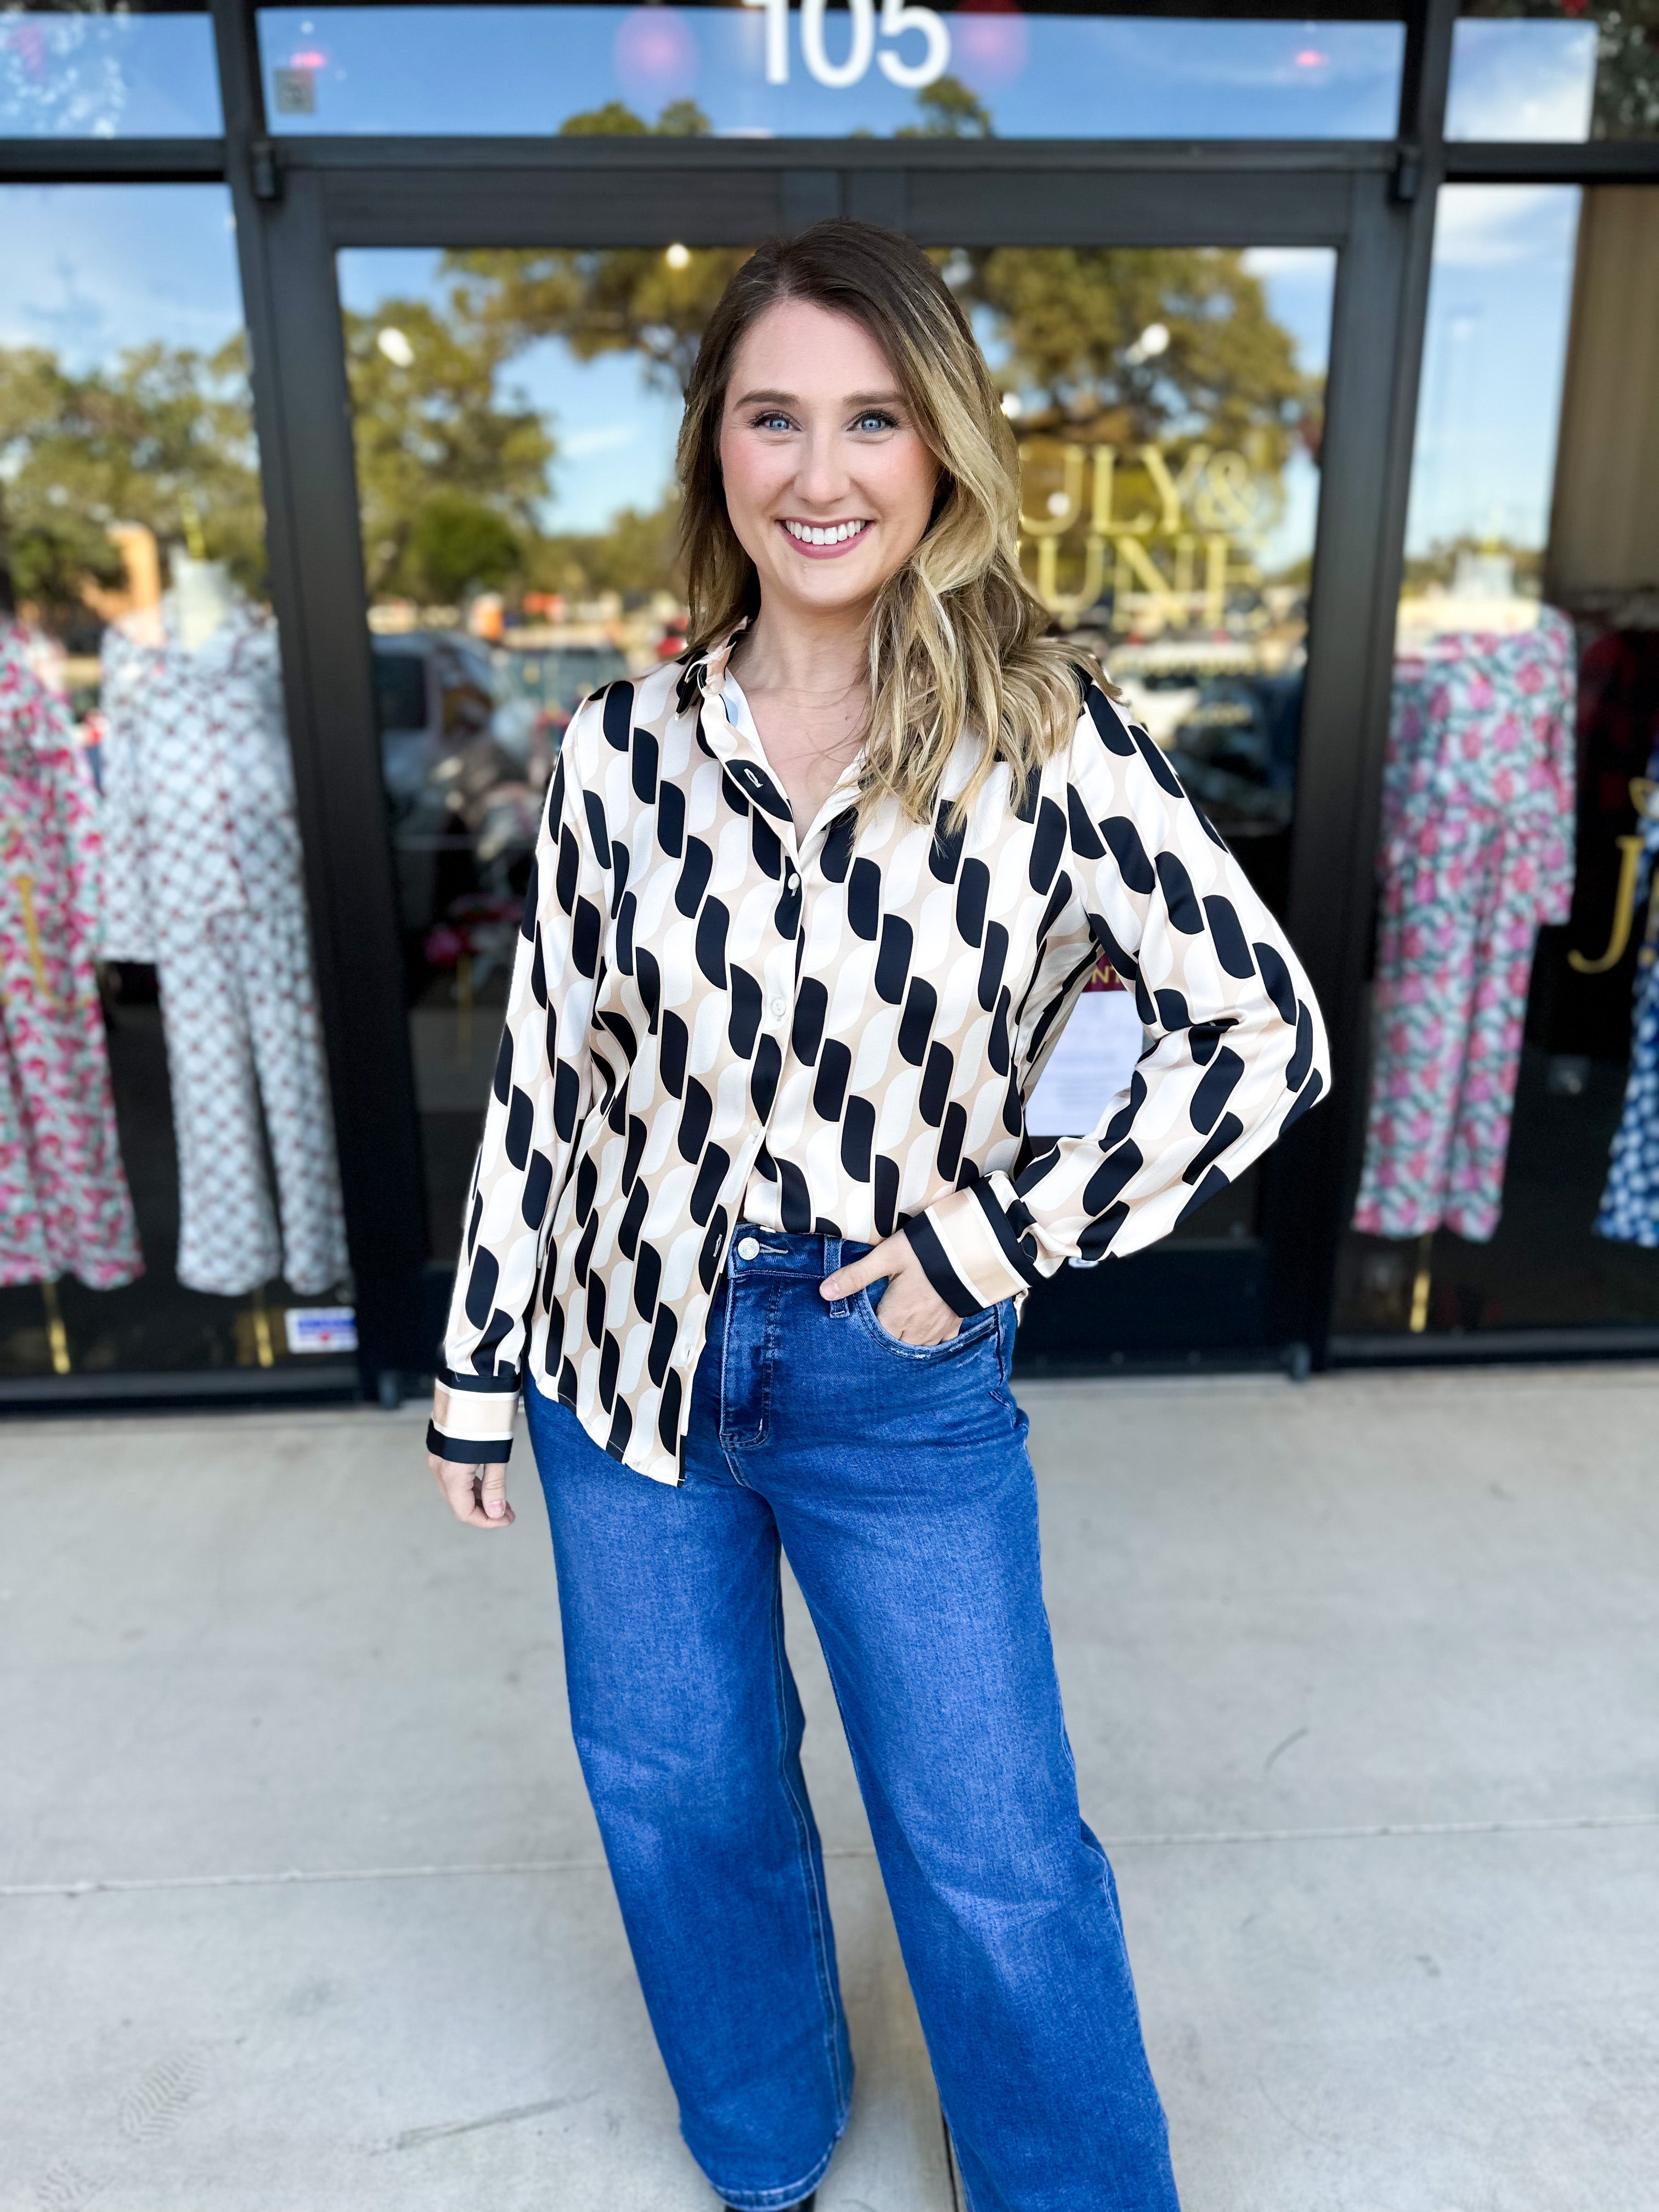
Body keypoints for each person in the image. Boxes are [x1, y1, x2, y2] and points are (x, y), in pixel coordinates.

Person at [427, 218, 1329, 2212]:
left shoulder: (1041, 728)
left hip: (886, 1356)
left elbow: (1260, 1034)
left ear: (940, 454)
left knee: (993, 1842)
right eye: (775, 417)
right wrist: (477, 1377)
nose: (820, 472)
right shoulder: (614, 753)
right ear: (717, 451)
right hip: (616, 1353)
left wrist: (989, 1243)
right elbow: (547, 1082)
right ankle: (764, 2147)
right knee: (681, 1800)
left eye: (873, 417)